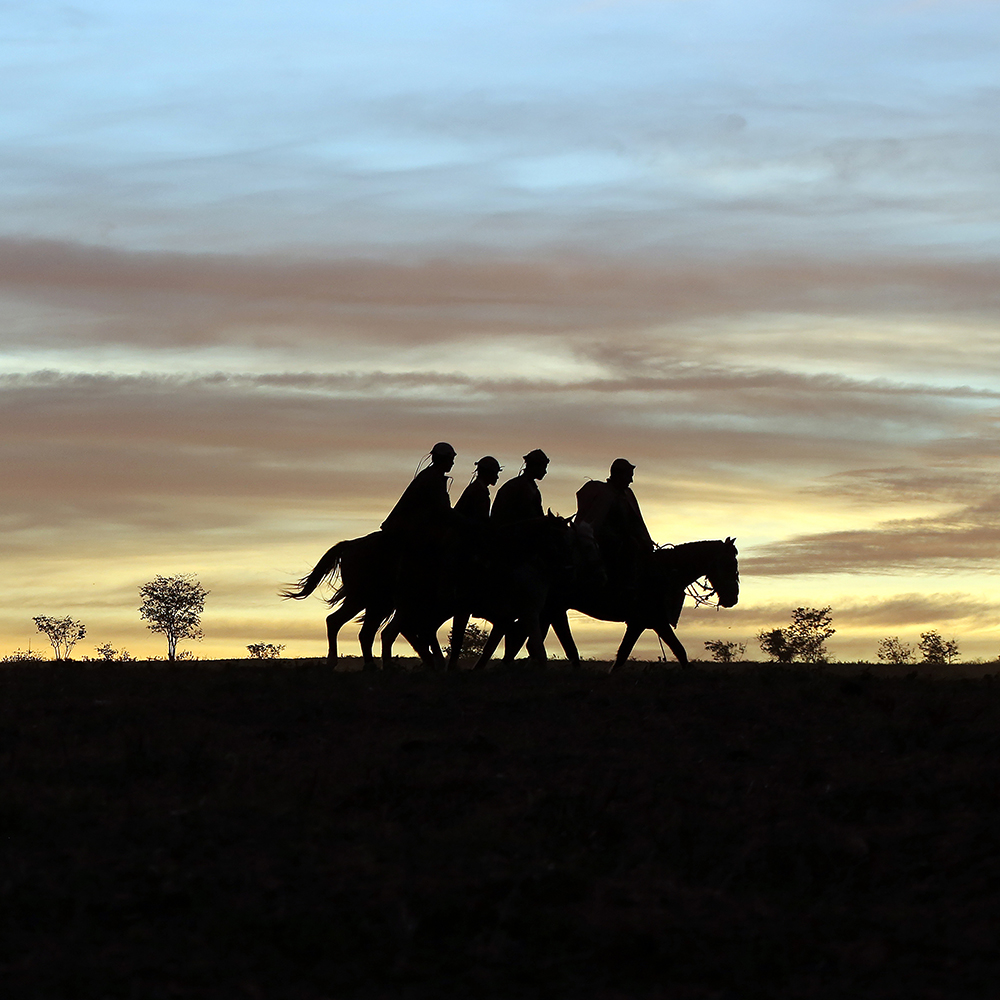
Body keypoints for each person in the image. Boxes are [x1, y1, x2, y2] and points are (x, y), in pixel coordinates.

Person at [575, 458, 654, 593]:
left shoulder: (628, 494)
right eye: (629, 476)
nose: (631, 481)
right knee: (629, 546)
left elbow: (636, 521)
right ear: (618, 475)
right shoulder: (604, 493)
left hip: (626, 537)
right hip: (604, 537)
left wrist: (645, 539)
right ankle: (621, 586)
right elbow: (596, 520)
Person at [381, 442, 456, 536]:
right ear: (443, 459)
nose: (452, 463)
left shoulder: (429, 475)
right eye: (451, 460)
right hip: (412, 528)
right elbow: (442, 508)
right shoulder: (433, 478)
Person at [490, 448, 549, 527]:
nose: (545, 472)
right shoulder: (515, 487)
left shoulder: (530, 488)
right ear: (535, 466)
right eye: (543, 467)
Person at [454, 456, 502, 525]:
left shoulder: (476, 488)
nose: (497, 477)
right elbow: (480, 520)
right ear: (487, 473)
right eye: (495, 473)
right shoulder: (478, 491)